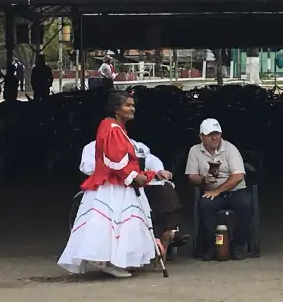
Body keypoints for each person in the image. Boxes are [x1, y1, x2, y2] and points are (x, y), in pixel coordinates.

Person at [58, 91, 160, 278]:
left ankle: (117, 261)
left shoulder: (115, 127)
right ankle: (111, 262)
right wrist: (134, 176)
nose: (132, 109)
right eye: (127, 105)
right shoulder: (111, 128)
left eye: (133, 105)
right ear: (116, 108)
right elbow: (114, 159)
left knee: (116, 224)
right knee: (113, 222)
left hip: (117, 182)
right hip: (112, 185)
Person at [79, 138, 184, 254]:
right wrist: (115, 169)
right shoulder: (93, 147)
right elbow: (86, 167)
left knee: (165, 189)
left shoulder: (133, 144)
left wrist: (159, 170)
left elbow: (150, 159)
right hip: (113, 187)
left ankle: (169, 231)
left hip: (139, 183)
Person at [185, 118, 252, 261]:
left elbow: (239, 175)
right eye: (210, 134)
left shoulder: (230, 148)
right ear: (201, 136)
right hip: (211, 191)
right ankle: (209, 246)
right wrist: (203, 180)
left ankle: (238, 245)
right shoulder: (195, 151)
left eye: (217, 133)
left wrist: (218, 190)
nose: (215, 137)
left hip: (235, 190)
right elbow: (191, 176)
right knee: (205, 205)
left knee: (246, 204)